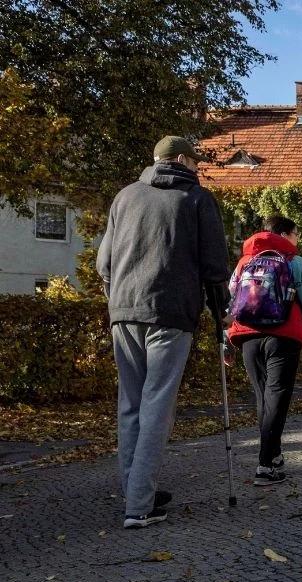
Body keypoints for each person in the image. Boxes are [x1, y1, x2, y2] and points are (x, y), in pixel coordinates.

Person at [97, 136, 229, 529]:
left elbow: (104, 262)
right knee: (157, 406)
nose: (198, 169)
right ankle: (139, 505)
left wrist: (117, 297)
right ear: (184, 160)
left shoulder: (125, 197)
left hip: (124, 311)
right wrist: (219, 310)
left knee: (131, 404)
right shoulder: (197, 200)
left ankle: (137, 489)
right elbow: (215, 266)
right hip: (171, 313)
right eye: (196, 162)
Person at [226, 216, 302, 486]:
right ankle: (264, 465)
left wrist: (227, 338)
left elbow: (232, 299)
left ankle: (274, 454)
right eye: (296, 234)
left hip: (248, 337)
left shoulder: (244, 263)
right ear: (284, 234)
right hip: (283, 336)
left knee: (263, 397)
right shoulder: (295, 262)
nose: (297, 239)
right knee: (277, 398)